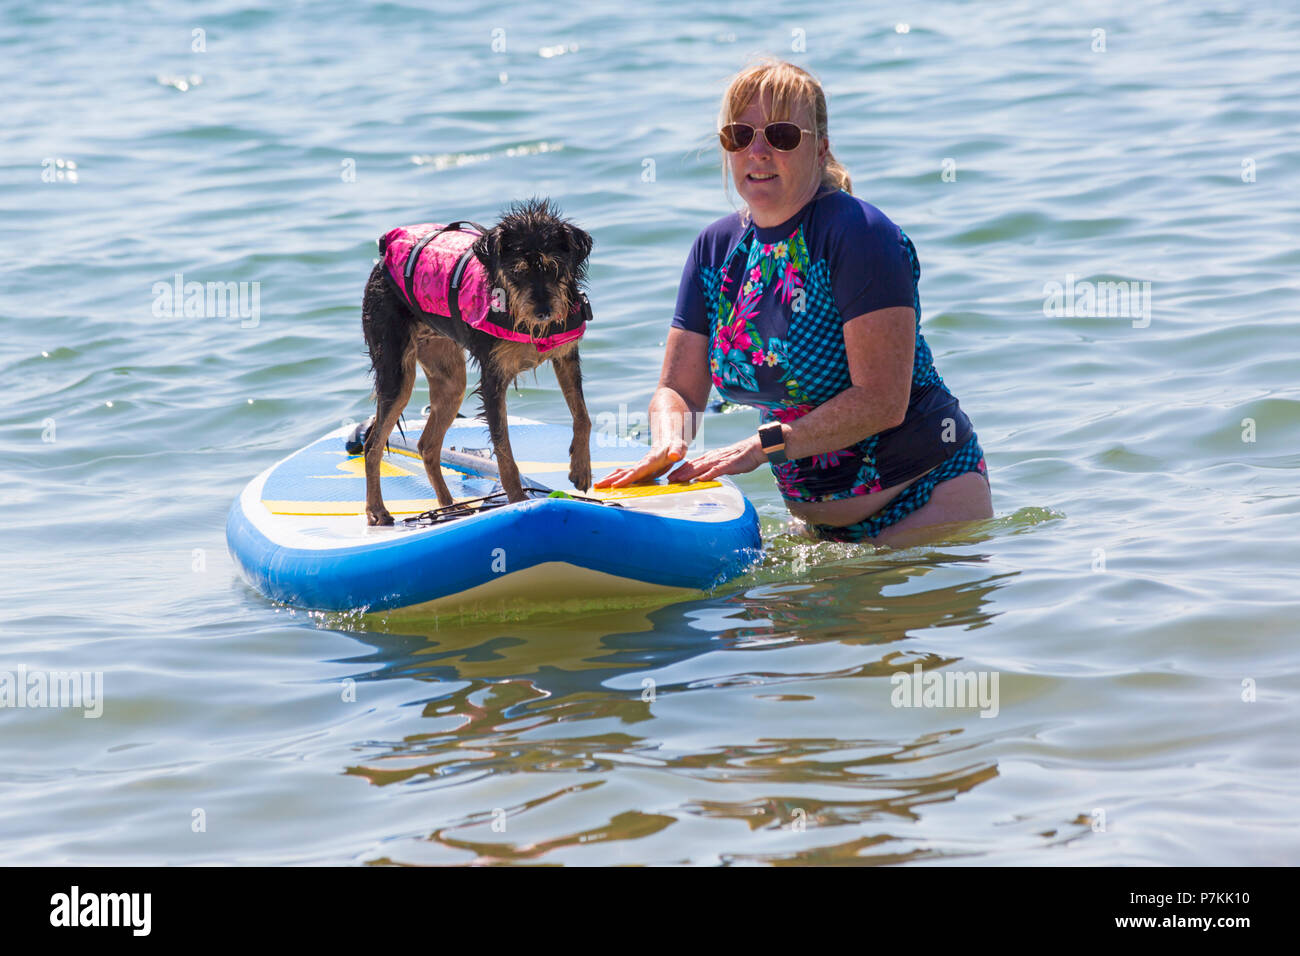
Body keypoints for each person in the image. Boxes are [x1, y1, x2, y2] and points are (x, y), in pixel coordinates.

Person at [595, 58, 992, 547]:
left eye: (781, 135)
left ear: (821, 149)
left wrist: (761, 448)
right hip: (814, 529)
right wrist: (670, 441)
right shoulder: (715, 250)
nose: (756, 151)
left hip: (928, 499)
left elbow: (882, 401)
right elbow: (678, 388)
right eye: (739, 135)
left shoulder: (859, 235)